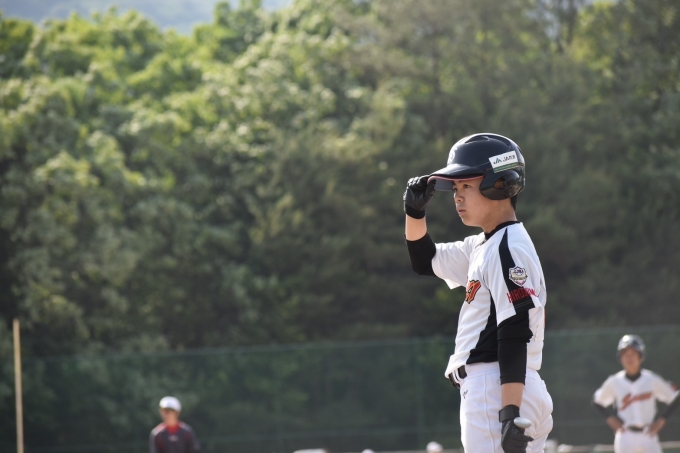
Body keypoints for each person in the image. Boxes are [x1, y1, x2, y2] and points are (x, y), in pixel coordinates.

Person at [403, 133, 553, 453]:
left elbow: (514, 330)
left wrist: (509, 412)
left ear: (499, 184)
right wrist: (415, 214)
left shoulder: (505, 248)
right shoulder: (485, 245)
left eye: (466, 186)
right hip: (511, 386)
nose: (457, 196)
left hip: (495, 387)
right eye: (455, 188)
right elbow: (424, 261)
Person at [593, 335, 680, 453]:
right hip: (625, 435)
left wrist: (662, 420)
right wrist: (610, 419)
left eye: (633, 354)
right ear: (620, 358)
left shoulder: (651, 379)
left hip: (648, 434)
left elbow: (675, 397)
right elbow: (597, 402)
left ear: (640, 356)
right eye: (625, 355)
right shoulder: (614, 381)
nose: (629, 358)